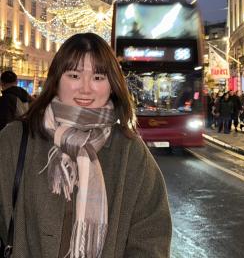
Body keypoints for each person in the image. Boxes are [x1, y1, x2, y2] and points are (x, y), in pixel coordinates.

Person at [0, 33, 172, 258]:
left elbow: (151, 235)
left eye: (98, 77)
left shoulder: (130, 151)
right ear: (56, 81)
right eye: (74, 75)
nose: (86, 88)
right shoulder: (15, 140)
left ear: (112, 85)